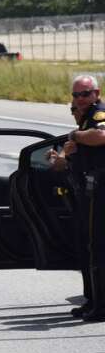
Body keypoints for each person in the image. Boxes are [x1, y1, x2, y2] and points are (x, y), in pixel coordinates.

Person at [51, 75, 105, 320]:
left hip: (100, 190)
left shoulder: (98, 115)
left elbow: (102, 137)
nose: (80, 101)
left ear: (96, 93)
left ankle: (101, 306)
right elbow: (68, 161)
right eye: (75, 96)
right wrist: (62, 157)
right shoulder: (83, 124)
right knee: (87, 248)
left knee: (97, 248)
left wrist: (73, 137)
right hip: (87, 191)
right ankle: (92, 300)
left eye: (85, 94)